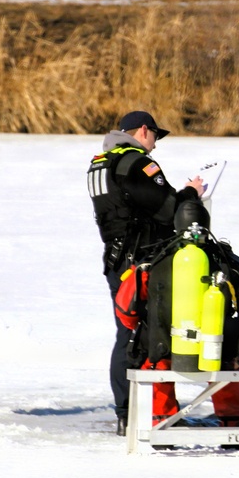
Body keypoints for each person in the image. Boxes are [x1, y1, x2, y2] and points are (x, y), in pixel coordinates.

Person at [87, 111, 203, 435]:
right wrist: (192, 193)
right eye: (155, 136)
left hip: (115, 261)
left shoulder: (100, 163)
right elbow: (168, 209)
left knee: (125, 332)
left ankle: (126, 413)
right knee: (154, 336)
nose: (155, 145)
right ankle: (155, 415)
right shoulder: (138, 163)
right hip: (143, 262)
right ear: (142, 131)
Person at [114, 201, 239, 429]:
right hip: (217, 346)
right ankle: (231, 425)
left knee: (155, 362)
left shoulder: (151, 262)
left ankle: (162, 423)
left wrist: (151, 329)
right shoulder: (229, 262)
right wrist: (233, 331)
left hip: (164, 347)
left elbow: (126, 309)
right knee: (228, 361)